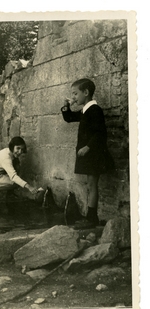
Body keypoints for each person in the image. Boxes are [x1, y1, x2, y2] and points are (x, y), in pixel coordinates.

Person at [61, 78, 114, 229]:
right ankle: (90, 216)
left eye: (76, 94)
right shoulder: (86, 110)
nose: (74, 97)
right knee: (90, 185)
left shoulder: (95, 110)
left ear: (86, 92)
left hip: (94, 153)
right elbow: (69, 118)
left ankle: (92, 218)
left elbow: (100, 133)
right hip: (90, 155)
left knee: (92, 185)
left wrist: (87, 147)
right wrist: (66, 106)